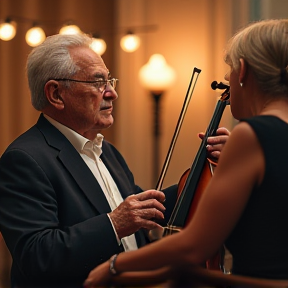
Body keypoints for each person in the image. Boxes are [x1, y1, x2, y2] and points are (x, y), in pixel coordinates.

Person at [0, 33, 229, 288]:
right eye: (98, 83)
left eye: (110, 81)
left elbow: (149, 211)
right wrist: (115, 224)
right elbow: (36, 257)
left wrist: (209, 171)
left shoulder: (107, 151)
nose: (112, 93)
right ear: (55, 94)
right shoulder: (24, 159)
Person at [84, 18, 288, 287]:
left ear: (243, 70)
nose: (226, 79)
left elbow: (194, 245)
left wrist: (113, 266)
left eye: (230, 68)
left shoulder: (252, 134)